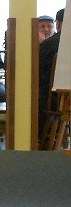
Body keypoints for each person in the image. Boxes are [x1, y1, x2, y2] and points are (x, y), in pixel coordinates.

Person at [38, 8, 64, 137]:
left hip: (55, 99)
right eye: (43, 26)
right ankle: (60, 131)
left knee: (34, 97)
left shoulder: (49, 44)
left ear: (57, 24)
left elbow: (37, 72)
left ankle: (41, 139)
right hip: (65, 98)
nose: (46, 29)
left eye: (50, 26)